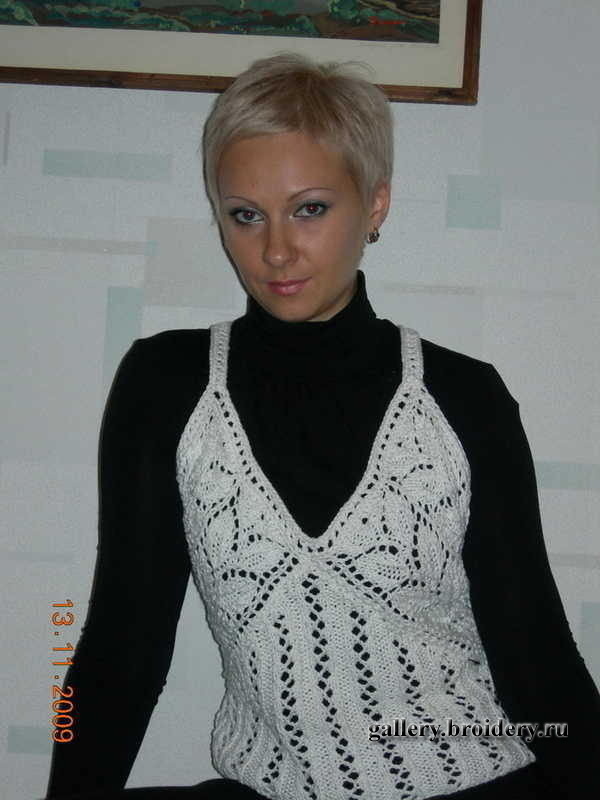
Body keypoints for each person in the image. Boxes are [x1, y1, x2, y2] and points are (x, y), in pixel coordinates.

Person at [44, 53, 600, 800]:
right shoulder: (165, 385)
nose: (275, 250)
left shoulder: (464, 398)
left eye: (309, 209)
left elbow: (535, 657)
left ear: (375, 205)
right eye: (245, 215)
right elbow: (120, 649)